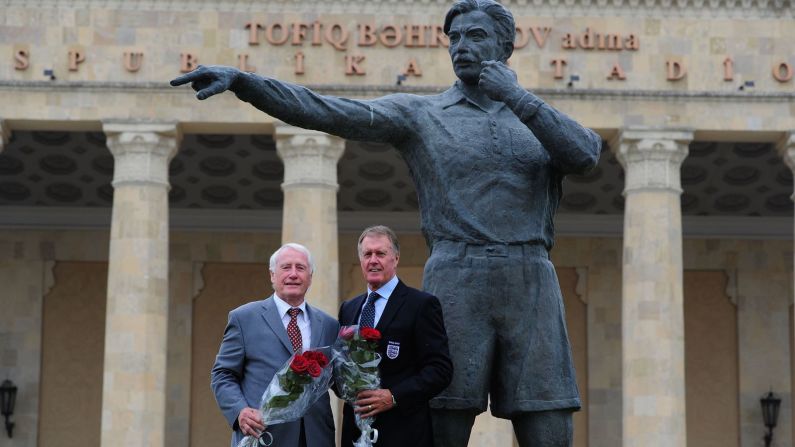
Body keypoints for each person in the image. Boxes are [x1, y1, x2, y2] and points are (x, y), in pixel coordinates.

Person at [173, 0, 601, 444]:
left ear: (506, 46)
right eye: (454, 38)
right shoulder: (424, 115)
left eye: (475, 36)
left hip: (530, 277)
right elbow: (329, 111)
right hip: (457, 273)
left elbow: (585, 154)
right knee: (444, 412)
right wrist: (247, 84)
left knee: (547, 415)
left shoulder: (535, 118)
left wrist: (515, 96)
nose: (461, 47)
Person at [211, 243, 339, 447]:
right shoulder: (244, 318)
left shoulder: (330, 325)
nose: (293, 274)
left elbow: (339, 380)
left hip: (315, 438)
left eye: (301, 268)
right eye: (286, 267)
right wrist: (240, 411)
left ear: (310, 277)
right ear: (272, 275)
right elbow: (223, 374)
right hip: (263, 436)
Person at [338, 225, 453, 447]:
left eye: (380, 253)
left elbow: (440, 370)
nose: (373, 260)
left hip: (403, 432)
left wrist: (393, 396)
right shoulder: (349, 308)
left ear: (396, 258)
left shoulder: (421, 305)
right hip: (355, 432)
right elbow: (341, 366)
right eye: (367, 254)